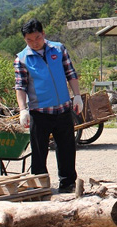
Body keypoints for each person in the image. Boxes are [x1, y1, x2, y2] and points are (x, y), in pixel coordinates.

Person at [14, 18, 82, 193]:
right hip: (39, 112)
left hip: (62, 109)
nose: (34, 43)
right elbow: (20, 86)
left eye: (37, 38)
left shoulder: (58, 49)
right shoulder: (22, 59)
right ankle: (39, 186)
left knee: (67, 147)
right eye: (29, 40)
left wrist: (77, 96)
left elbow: (70, 73)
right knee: (39, 152)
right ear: (25, 39)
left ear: (43, 34)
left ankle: (67, 183)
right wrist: (23, 110)